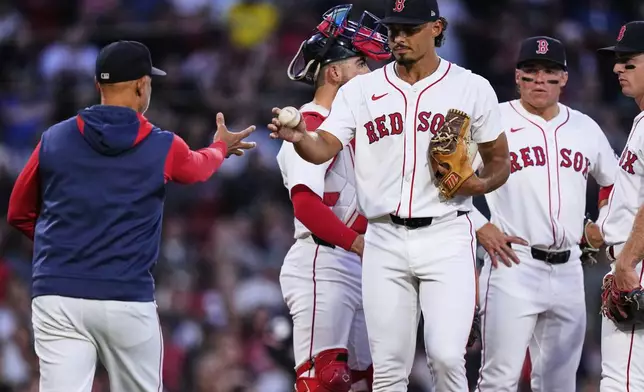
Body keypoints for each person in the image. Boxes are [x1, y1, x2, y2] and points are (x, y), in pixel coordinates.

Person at [268, 0, 511, 390]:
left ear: (437, 28)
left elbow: (499, 160)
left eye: (409, 28)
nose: (398, 37)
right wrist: (299, 139)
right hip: (382, 239)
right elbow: (322, 148)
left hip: (446, 233)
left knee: (448, 356)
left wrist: (480, 185)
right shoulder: (362, 91)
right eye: (394, 29)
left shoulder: (471, 86)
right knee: (387, 371)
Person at [6, 40, 256, 392]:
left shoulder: (54, 138)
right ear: (142, 85)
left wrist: (66, 245)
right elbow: (199, 170)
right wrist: (220, 147)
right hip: (126, 297)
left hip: (57, 293)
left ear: (98, 86)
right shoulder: (162, 145)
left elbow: (18, 211)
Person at [470, 36, 617, 392]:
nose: (540, 80)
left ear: (564, 78)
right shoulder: (494, 121)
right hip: (512, 264)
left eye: (549, 72)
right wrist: (479, 225)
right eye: (531, 71)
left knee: (559, 383)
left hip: (569, 269)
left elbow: (614, 183)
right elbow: (450, 180)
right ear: (517, 75)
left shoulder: (584, 127)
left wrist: (603, 224)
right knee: (498, 380)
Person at [276, 5, 388, 391]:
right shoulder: (307, 125)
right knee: (326, 379)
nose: (369, 73)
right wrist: (358, 243)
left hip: (361, 263)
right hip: (323, 258)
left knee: (365, 381)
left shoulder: (358, 130)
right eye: (361, 63)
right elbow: (306, 204)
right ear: (334, 72)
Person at [596, 21, 644, 391]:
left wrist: (626, 261)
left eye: (629, 62)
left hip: (638, 264)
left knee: (623, 381)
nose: (617, 68)